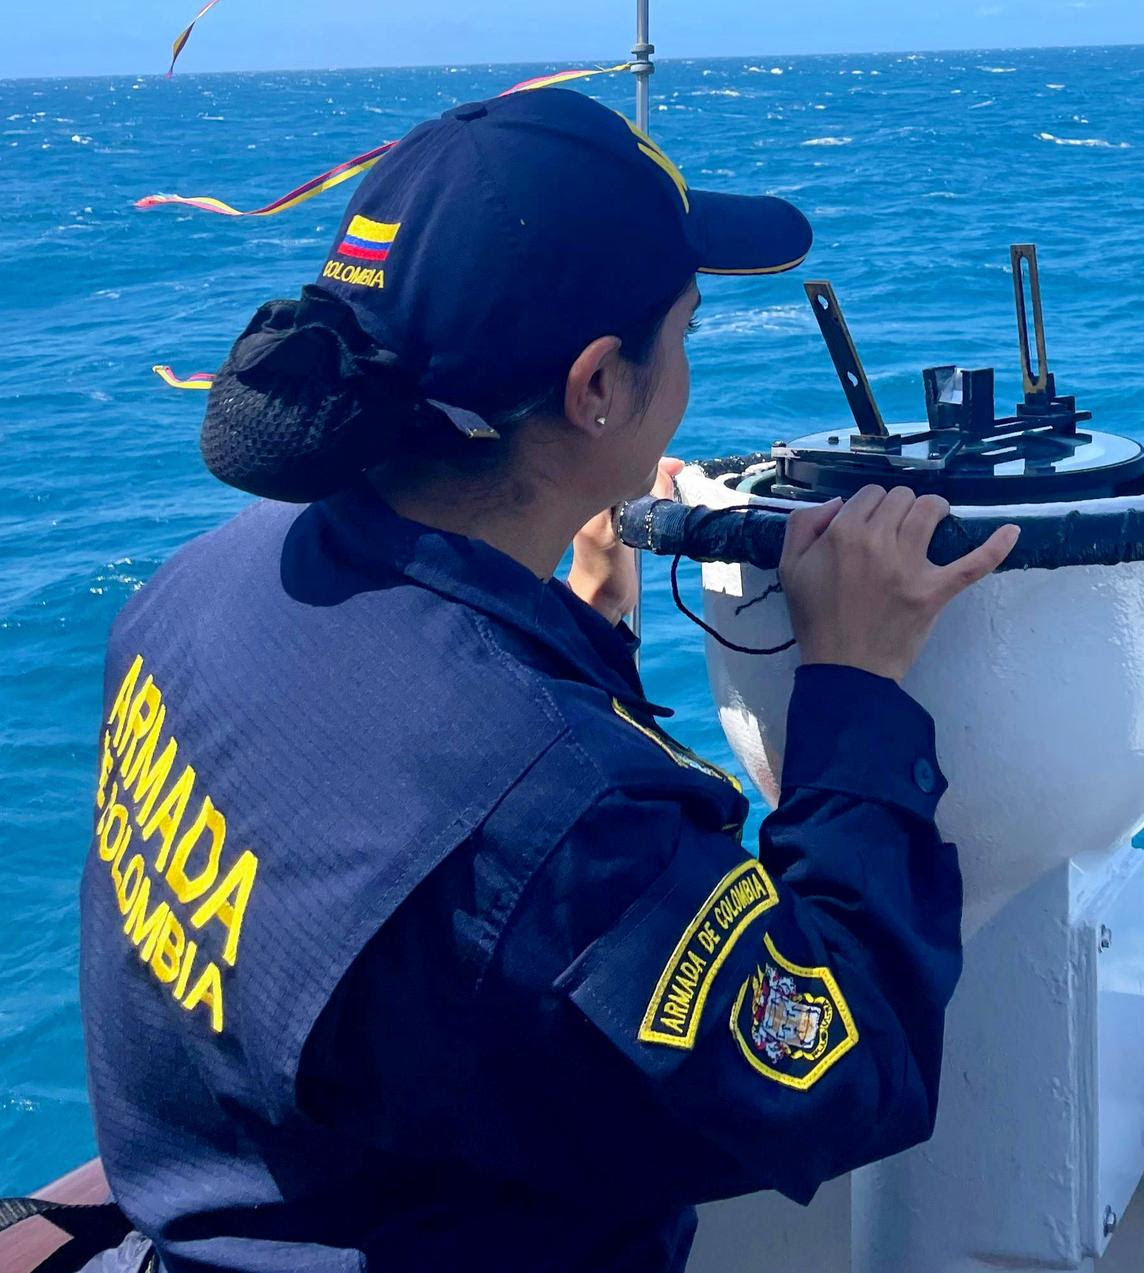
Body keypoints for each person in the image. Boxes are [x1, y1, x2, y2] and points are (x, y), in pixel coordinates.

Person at [77, 87, 1018, 1272]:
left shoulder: (203, 587)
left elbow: (410, 845)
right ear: (596, 390)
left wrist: (584, 621)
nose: (684, 365)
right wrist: (854, 691)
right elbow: (842, 1076)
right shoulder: (553, 826)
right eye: (679, 334)